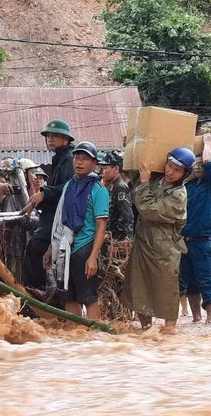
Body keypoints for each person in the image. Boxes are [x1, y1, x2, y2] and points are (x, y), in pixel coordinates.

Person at [123, 148, 193, 335]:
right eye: (169, 166)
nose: (170, 171)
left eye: (177, 170)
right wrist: (133, 147)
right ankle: (146, 329)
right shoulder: (155, 179)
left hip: (165, 248)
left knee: (166, 290)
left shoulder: (179, 194)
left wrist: (144, 183)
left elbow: (149, 209)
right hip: (143, 242)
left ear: (185, 174)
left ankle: (169, 330)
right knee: (139, 286)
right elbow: (135, 173)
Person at [49, 142, 109, 320]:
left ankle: (95, 342)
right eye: (77, 158)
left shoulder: (99, 190)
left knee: (89, 298)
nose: (79, 162)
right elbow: (60, 219)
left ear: (94, 164)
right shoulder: (69, 186)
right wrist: (49, 248)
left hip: (84, 248)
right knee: (69, 297)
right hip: (65, 247)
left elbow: (101, 226)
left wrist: (93, 256)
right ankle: (76, 339)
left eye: (85, 159)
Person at [21, 119, 76, 290]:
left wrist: (45, 193)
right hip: (52, 216)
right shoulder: (60, 158)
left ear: (66, 139)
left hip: (62, 219)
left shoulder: (69, 159)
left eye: (55, 136)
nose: (50, 139)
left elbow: (69, 187)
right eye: (48, 136)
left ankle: (35, 293)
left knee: (35, 246)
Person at [180, 133, 211, 324]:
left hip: (203, 240)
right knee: (189, 283)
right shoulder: (186, 187)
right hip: (183, 241)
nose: (198, 166)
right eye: (194, 164)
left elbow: (208, 162)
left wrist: (207, 142)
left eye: (200, 164)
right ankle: (196, 318)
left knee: (206, 280)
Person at [98, 150, 134, 241]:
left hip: (116, 239)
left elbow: (127, 216)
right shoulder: (110, 186)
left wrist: (122, 240)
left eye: (105, 168)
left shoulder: (120, 187)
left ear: (116, 169)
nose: (102, 172)